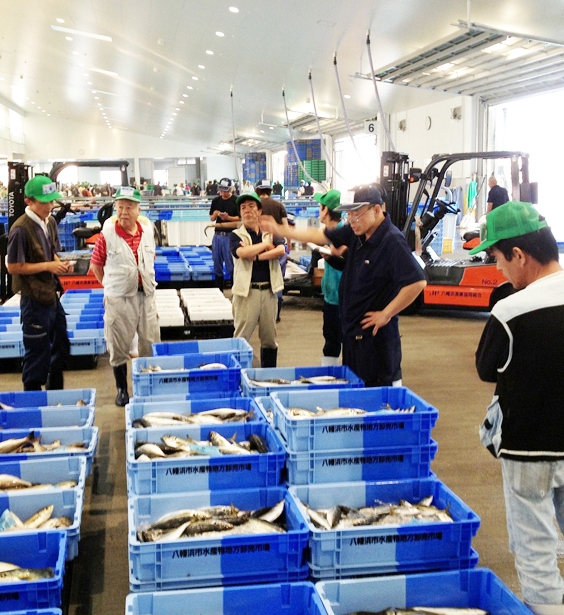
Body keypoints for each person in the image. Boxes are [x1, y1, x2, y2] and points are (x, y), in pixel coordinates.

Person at [472, 201, 564, 615]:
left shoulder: (511, 310)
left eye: (497, 257)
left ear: (519, 255)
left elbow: (486, 369)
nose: (497, 269)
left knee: (535, 546)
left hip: (529, 447)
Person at [261, 183, 426, 386]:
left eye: (356, 214)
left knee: (376, 392)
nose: (352, 220)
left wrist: (386, 314)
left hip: (375, 340)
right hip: (354, 336)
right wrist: (281, 229)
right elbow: (319, 235)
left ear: (376, 210)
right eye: (349, 215)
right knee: (356, 388)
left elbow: (417, 282)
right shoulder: (358, 232)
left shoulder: (392, 241)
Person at [90, 187, 160, 406]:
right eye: (120, 207)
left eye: (129, 207)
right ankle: (122, 389)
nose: (123, 212)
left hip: (146, 296)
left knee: (150, 342)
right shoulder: (107, 235)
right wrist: (110, 286)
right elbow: (96, 265)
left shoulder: (147, 231)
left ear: (139, 210)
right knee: (118, 344)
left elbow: (151, 259)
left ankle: (148, 386)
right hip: (119, 299)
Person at [7, 175, 71, 391]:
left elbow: (51, 253)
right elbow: (13, 267)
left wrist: (59, 264)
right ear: (29, 201)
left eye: (51, 201)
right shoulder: (20, 229)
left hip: (51, 295)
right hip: (33, 300)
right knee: (37, 355)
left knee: (61, 345)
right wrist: (48, 266)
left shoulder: (49, 222)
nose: (49, 206)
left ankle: (55, 396)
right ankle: (33, 401)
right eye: (44, 202)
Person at [229, 192, 285, 368]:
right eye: (243, 207)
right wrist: (265, 246)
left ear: (259, 211)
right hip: (247, 293)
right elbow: (242, 253)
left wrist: (258, 256)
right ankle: (238, 376)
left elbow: (281, 250)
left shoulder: (270, 232)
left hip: (269, 292)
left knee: (269, 339)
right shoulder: (236, 235)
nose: (247, 210)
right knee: (241, 338)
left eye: (251, 206)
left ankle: (269, 376)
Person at [313, 190, 345, 365]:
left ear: (326, 210)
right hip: (331, 297)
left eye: (320, 206)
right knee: (331, 340)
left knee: (339, 341)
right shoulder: (329, 232)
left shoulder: (343, 234)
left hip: (341, 299)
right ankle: (329, 373)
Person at [255, 179, 289, 322]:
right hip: (278, 244)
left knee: (260, 279)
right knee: (277, 279)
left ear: (257, 191)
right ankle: (276, 314)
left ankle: (259, 314)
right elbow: (286, 227)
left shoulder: (255, 205)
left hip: (259, 244)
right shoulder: (278, 205)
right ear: (270, 191)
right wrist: (288, 244)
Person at [209, 177, 240, 291]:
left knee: (230, 264)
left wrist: (228, 218)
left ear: (230, 189)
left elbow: (240, 218)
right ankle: (219, 290)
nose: (223, 193)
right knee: (217, 263)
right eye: (221, 190)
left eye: (225, 190)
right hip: (217, 235)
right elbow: (212, 218)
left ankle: (234, 291)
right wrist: (215, 214)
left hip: (230, 236)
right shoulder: (216, 201)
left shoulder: (236, 201)